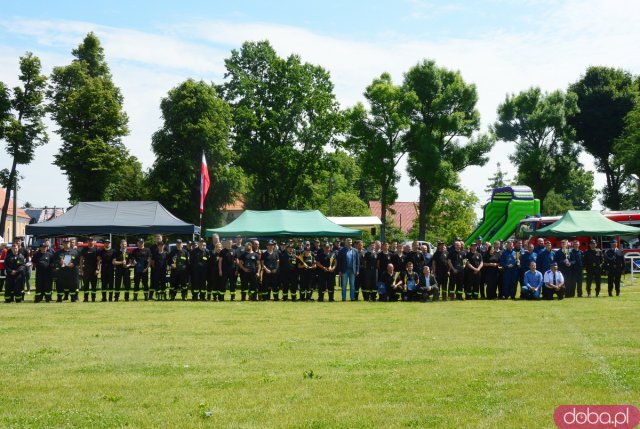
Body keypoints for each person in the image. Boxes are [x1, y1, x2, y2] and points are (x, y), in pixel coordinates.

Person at [79, 237, 100, 302]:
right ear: (87, 242)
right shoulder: (84, 249)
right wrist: (81, 269)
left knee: (94, 284)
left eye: (92, 241)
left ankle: (93, 298)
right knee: (86, 285)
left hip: (94, 269)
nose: (90, 242)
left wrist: (98, 269)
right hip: (86, 269)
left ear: (94, 242)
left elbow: (99, 260)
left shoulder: (97, 249)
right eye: (89, 241)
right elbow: (81, 260)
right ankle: (86, 298)